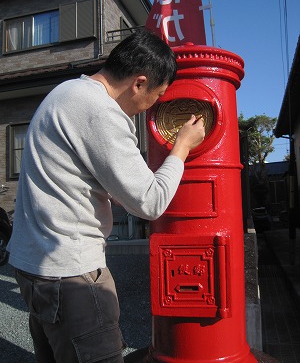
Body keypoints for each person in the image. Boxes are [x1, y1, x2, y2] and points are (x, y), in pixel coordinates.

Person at [7, 29, 205, 363]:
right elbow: (151, 202)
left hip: (33, 265)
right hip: (71, 275)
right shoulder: (101, 111)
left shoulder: (67, 92)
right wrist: (182, 147)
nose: (148, 108)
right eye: (155, 97)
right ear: (139, 83)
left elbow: (70, 174)